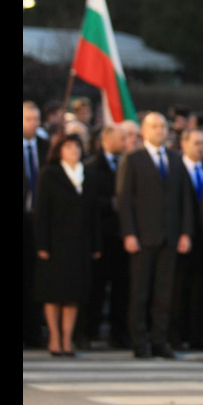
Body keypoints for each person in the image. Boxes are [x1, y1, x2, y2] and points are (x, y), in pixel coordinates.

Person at [117, 111, 195, 359]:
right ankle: (140, 342)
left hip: (170, 237)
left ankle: (160, 341)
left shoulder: (175, 158)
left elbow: (185, 200)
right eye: (154, 126)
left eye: (163, 126)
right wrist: (129, 233)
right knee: (140, 292)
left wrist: (185, 232)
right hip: (142, 236)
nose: (160, 130)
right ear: (144, 130)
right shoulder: (133, 159)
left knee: (165, 293)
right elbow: (125, 200)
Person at [33, 132, 100, 356]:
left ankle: (67, 339)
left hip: (79, 244)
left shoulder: (88, 175)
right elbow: (41, 211)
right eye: (69, 147)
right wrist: (41, 244)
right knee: (53, 293)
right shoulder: (50, 174)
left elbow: (94, 214)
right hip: (55, 243)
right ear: (59, 150)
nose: (74, 151)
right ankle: (54, 338)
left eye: (77, 147)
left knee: (74, 294)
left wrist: (96, 244)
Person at [78, 123, 130, 350]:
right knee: (96, 287)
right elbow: (86, 200)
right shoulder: (91, 167)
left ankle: (118, 334)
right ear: (106, 140)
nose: (124, 141)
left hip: (123, 235)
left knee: (122, 287)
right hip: (102, 236)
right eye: (120, 137)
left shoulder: (129, 163)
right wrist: (110, 203)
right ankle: (89, 331)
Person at [171, 127, 203, 351]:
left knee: (200, 289)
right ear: (184, 144)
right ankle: (177, 335)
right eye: (196, 142)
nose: (200, 147)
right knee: (179, 288)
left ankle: (198, 335)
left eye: (202, 143)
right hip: (182, 238)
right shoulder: (176, 168)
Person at [24, 101, 50, 348]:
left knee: (36, 277)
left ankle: (33, 332)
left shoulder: (46, 148)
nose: (34, 123)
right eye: (29, 119)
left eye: (36, 119)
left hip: (39, 222)